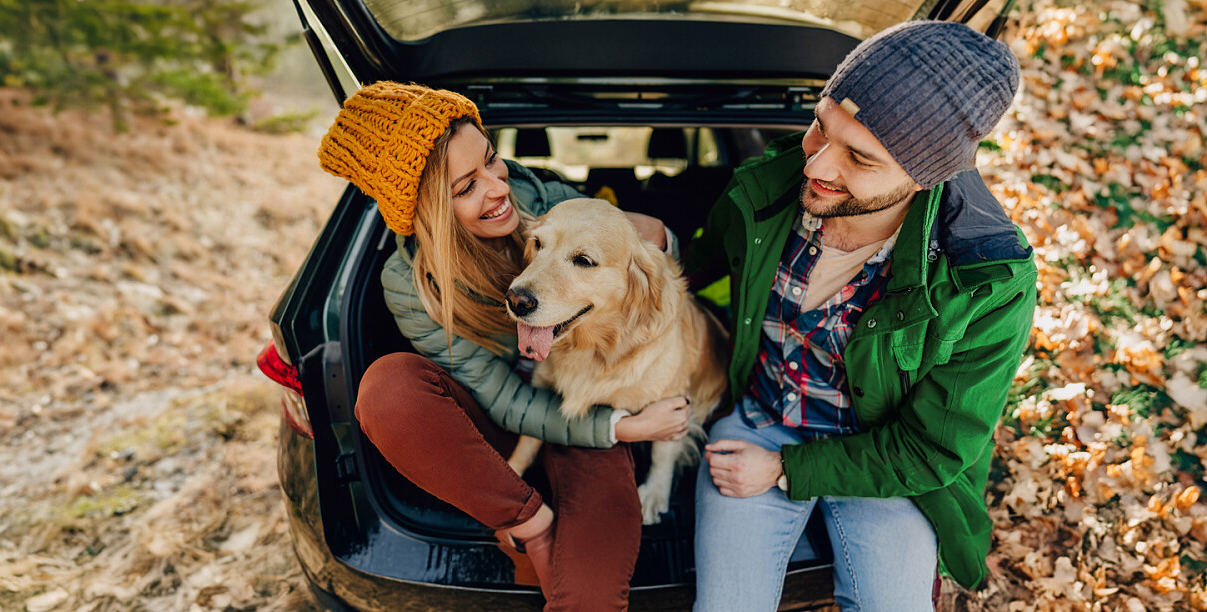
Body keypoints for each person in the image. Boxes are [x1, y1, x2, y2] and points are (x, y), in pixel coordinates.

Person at [680, 21, 1035, 611]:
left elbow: (931, 450)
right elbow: (695, 268)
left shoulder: (986, 282)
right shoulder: (764, 189)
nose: (816, 164)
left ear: (924, 175)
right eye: (820, 124)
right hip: (757, 420)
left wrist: (787, 469)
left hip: (885, 459)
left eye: (859, 158)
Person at [317, 81, 693, 611]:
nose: (498, 188)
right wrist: (615, 438)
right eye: (465, 187)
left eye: (493, 161)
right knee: (388, 386)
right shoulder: (409, 284)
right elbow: (502, 399)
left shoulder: (553, 205)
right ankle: (526, 523)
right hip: (494, 426)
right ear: (424, 210)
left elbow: (647, 270)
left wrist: (660, 239)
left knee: (591, 593)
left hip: (583, 403)